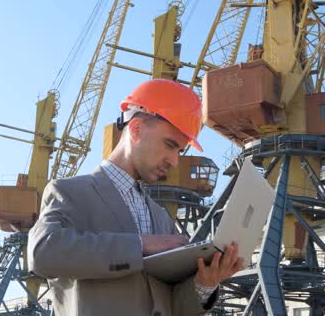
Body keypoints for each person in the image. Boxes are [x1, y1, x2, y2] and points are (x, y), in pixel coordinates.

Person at [28, 79, 243, 315]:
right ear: (136, 129)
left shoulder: (162, 220)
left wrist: (205, 284)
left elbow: (174, 307)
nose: (174, 160)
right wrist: (141, 245)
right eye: (170, 145)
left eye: (180, 150)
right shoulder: (71, 192)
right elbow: (42, 253)